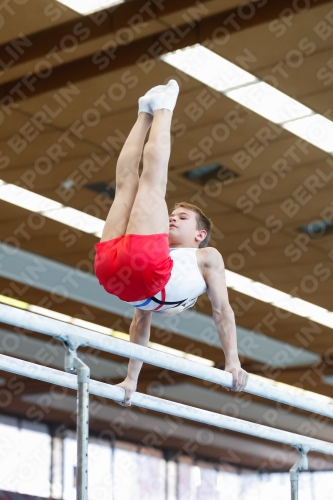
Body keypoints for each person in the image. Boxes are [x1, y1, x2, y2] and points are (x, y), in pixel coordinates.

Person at [94, 80, 249, 407]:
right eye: (173, 214)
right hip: (132, 277)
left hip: (117, 276)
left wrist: (232, 361)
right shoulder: (158, 248)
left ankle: (164, 107)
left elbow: (222, 310)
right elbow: (140, 323)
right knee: (127, 185)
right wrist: (131, 378)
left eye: (183, 218)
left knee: (151, 181)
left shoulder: (207, 257)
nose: (172, 217)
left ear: (200, 235)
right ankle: (145, 111)